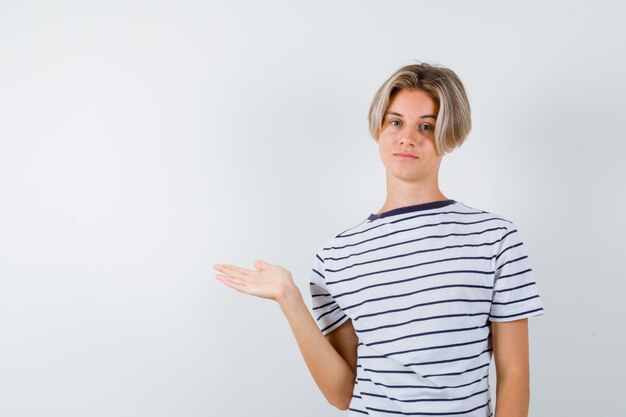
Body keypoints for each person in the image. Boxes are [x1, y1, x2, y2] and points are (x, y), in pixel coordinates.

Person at [212, 62, 544, 417]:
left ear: (450, 135)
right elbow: (343, 394)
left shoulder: (493, 239)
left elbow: (514, 374)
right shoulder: (337, 256)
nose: (407, 137)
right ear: (379, 129)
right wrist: (289, 299)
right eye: (396, 122)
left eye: (427, 126)